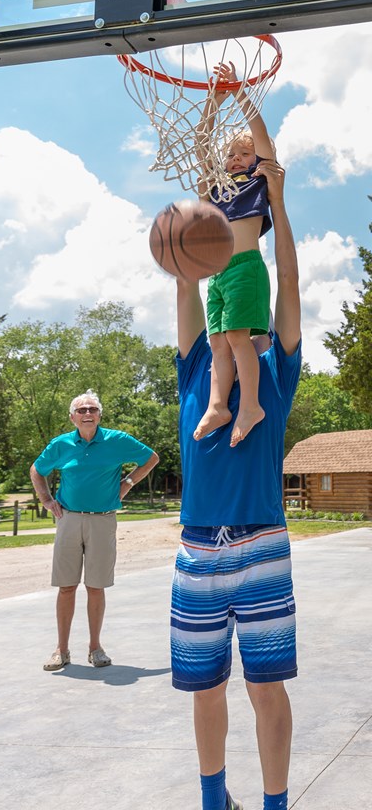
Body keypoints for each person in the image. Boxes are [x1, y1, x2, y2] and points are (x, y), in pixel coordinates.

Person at [171, 162, 301, 810]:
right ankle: (214, 800)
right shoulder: (197, 366)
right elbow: (191, 280)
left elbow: (287, 281)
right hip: (196, 549)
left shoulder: (276, 368)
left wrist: (277, 202)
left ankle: (275, 803)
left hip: (261, 543)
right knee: (205, 688)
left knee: (265, 689)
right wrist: (200, 213)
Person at [30, 390, 159, 671]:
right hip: (68, 518)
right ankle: (61, 650)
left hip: (103, 520)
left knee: (96, 586)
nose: (87, 413)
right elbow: (37, 470)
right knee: (66, 587)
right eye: (82, 410)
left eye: (92, 409)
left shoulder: (118, 440)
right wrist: (46, 499)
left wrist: (128, 482)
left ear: (99, 415)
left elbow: (151, 458)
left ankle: (95, 648)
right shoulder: (60, 444)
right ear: (72, 417)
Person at [194, 61, 276, 447]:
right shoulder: (217, 188)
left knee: (239, 337)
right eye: (230, 156)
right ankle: (218, 404)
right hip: (219, 275)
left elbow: (261, 139)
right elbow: (199, 144)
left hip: (245, 268)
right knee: (217, 343)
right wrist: (214, 98)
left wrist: (240, 92)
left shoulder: (259, 179)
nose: (235, 160)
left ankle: (250, 406)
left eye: (242, 154)